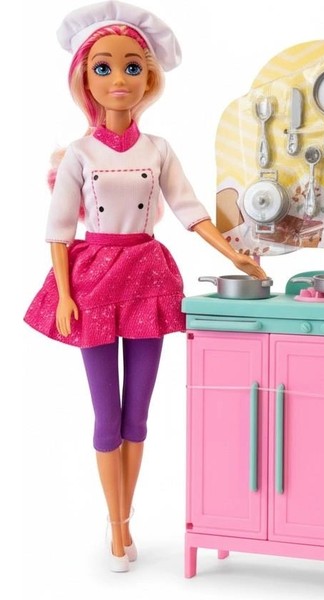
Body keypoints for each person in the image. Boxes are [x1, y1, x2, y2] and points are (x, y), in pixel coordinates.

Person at [24, 1, 266, 573]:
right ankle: (117, 527)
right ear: (84, 78)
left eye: (132, 66)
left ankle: (124, 520)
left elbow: (190, 210)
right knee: (105, 414)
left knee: (138, 413)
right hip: (92, 281)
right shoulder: (80, 154)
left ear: (149, 78)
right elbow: (59, 231)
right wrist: (65, 295)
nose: (119, 79)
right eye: (103, 67)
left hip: (147, 276)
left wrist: (236, 255)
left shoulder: (158, 149)